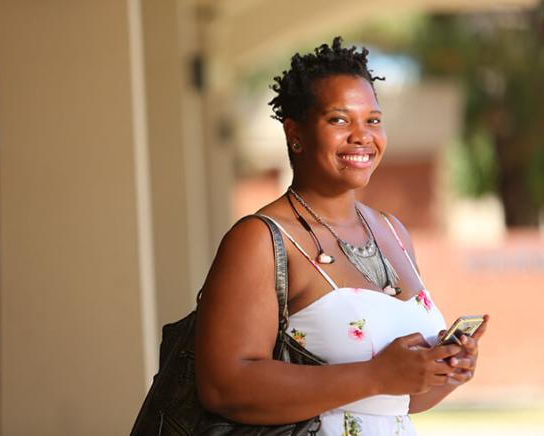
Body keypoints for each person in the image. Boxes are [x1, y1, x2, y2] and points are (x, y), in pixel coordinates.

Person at [194, 37, 489, 435]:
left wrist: (446, 371)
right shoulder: (261, 240)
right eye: (339, 119)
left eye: (373, 120)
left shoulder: (393, 232)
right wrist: (377, 375)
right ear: (294, 132)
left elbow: (400, 401)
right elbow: (223, 387)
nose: (362, 136)